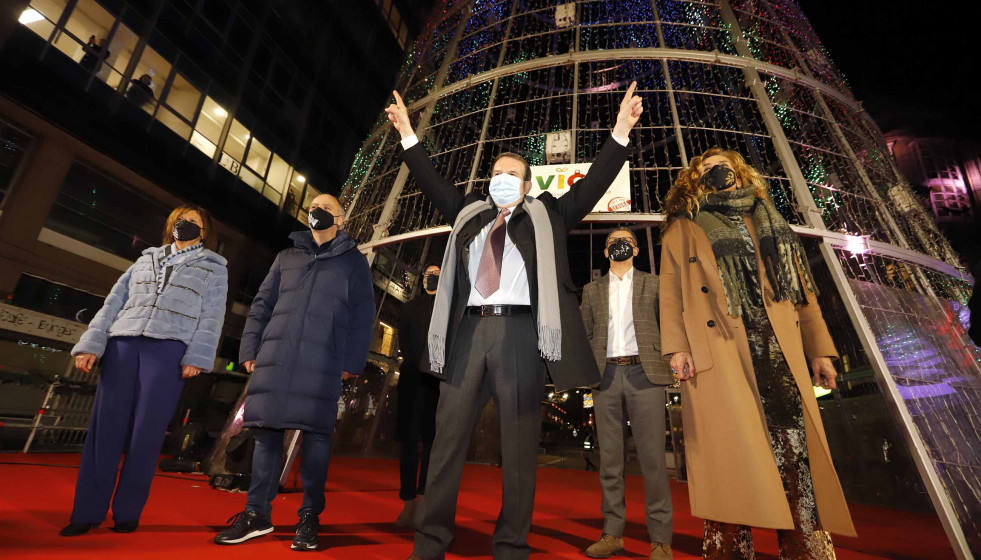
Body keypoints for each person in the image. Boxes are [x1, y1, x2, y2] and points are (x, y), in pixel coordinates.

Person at [385, 81, 643, 560]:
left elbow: (592, 186)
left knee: (520, 450)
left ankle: (510, 546)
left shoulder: (547, 214)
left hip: (522, 335)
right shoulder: (468, 213)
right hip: (467, 334)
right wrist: (406, 133)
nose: (502, 178)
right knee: (446, 444)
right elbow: (430, 178)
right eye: (497, 172)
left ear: (527, 185)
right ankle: (430, 543)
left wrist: (620, 132)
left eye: (513, 174)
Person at [658, 148, 856, 558]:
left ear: (741, 171)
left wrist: (820, 351)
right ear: (694, 179)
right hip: (721, 348)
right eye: (706, 168)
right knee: (731, 456)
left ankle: (805, 547)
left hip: (779, 348)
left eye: (724, 165)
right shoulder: (684, 226)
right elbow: (671, 292)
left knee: (795, 452)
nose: (717, 171)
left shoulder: (770, 220)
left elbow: (802, 291)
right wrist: (677, 348)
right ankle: (731, 550)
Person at [214, 194, 375, 552]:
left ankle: (309, 517)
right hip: (276, 356)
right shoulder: (286, 256)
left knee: (316, 437)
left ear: (342, 219)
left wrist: (351, 362)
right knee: (265, 433)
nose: (317, 212)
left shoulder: (354, 263)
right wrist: (249, 349)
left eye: (327, 208)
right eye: (313, 207)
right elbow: (261, 305)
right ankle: (257, 514)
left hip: (323, 360)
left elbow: (363, 317)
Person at [62, 205, 228, 536]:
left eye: (194, 222)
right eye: (181, 220)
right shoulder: (145, 259)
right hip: (122, 344)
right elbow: (113, 303)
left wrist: (198, 354)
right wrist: (91, 344)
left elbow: (212, 314)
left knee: (146, 435)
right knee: (104, 432)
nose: (186, 225)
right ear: (171, 224)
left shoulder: (214, 267)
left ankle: (126, 512)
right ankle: (86, 512)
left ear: (205, 231)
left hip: (168, 350)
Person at [579, 227, 674, 560]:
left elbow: (670, 326)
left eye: (626, 241)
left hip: (645, 374)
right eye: (612, 242)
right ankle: (612, 533)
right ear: (606, 253)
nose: (619, 245)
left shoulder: (656, 284)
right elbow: (585, 332)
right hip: (605, 377)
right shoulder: (591, 290)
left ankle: (661, 540)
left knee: (653, 461)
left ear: (636, 250)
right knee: (610, 461)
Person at [394, 262, 442, 528]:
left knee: (433, 444)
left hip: (437, 383)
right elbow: (403, 341)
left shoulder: (449, 309)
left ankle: (423, 500)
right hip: (412, 381)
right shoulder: (409, 308)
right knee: (408, 443)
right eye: (427, 275)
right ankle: (408, 501)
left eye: (436, 275)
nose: (430, 279)